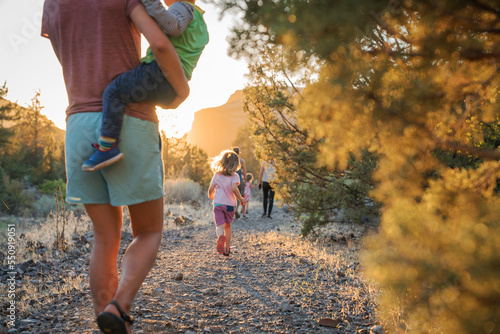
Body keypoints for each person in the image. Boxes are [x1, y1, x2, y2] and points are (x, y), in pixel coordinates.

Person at [42, 0, 189, 333]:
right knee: (148, 230)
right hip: (130, 121)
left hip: (78, 123)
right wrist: (181, 91)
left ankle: (109, 323)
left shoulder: (52, 4)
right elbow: (162, 43)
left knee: (105, 237)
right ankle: (119, 305)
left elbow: (66, 56)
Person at [82, 0, 209, 172]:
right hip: (173, 85)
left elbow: (173, 27)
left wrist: (150, 3)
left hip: (157, 73)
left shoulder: (183, 7)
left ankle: (107, 147)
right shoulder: (201, 23)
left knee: (113, 92)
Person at [208, 150, 246, 256]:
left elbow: (211, 189)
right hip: (230, 205)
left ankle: (220, 237)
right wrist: (241, 199)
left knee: (219, 226)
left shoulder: (217, 175)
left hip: (218, 204)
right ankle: (227, 249)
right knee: (227, 227)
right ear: (236, 165)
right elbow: (234, 188)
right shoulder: (235, 176)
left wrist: (211, 195)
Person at [231, 147, 246, 217]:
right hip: (239, 180)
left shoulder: (230, 161)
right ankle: (236, 209)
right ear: (239, 153)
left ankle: (232, 209)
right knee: (240, 196)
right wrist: (245, 181)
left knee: (231, 196)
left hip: (231, 181)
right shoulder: (242, 161)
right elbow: (245, 172)